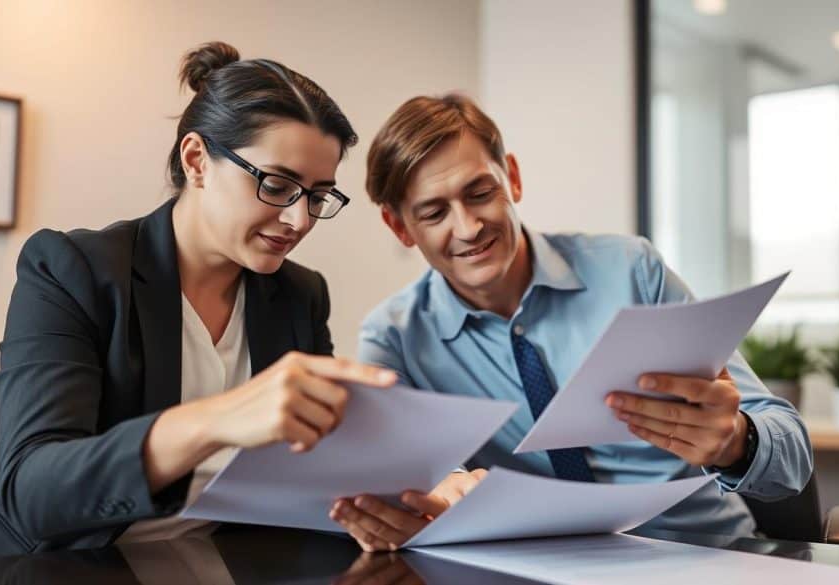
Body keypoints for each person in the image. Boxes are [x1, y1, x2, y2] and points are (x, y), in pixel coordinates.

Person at [0, 41, 395, 558]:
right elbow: (32, 492)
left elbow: (314, 468)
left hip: (211, 562)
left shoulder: (300, 295)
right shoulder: (74, 269)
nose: (300, 220)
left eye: (318, 196)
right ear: (197, 159)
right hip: (48, 567)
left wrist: (405, 492)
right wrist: (219, 419)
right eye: (277, 185)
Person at [329, 94, 813, 552]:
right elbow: (395, 476)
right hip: (533, 569)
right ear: (399, 227)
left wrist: (735, 441)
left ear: (512, 179)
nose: (469, 227)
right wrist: (436, 489)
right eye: (434, 212)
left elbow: (791, 453)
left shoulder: (631, 270)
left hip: (705, 554)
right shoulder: (394, 337)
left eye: (480, 193)